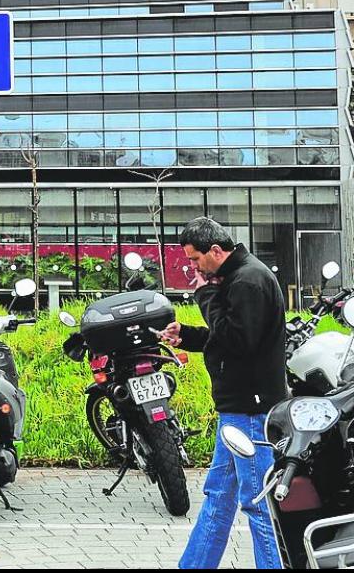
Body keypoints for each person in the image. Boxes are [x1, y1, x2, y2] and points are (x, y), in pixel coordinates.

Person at [159, 217, 286, 569]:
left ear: (215, 250)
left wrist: (204, 294)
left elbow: (237, 341)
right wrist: (186, 335)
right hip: (238, 409)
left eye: (195, 259)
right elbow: (227, 335)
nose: (193, 268)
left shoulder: (247, 280)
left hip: (250, 410)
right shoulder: (240, 277)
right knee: (218, 497)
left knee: (257, 502)